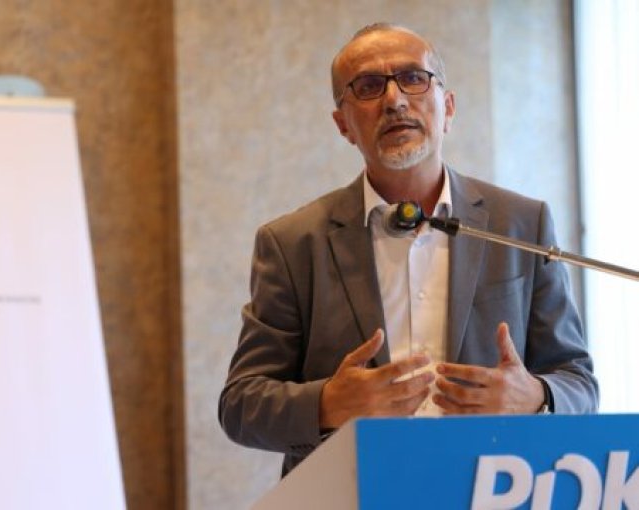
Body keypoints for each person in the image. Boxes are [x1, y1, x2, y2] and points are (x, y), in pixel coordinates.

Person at [218, 22, 598, 476]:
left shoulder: (520, 224)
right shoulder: (292, 244)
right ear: (343, 125)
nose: (395, 100)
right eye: (368, 86)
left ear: (448, 107)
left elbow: (578, 383)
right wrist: (328, 404)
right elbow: (240, 405)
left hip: (491, 488)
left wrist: (534, 396)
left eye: (414, 78)